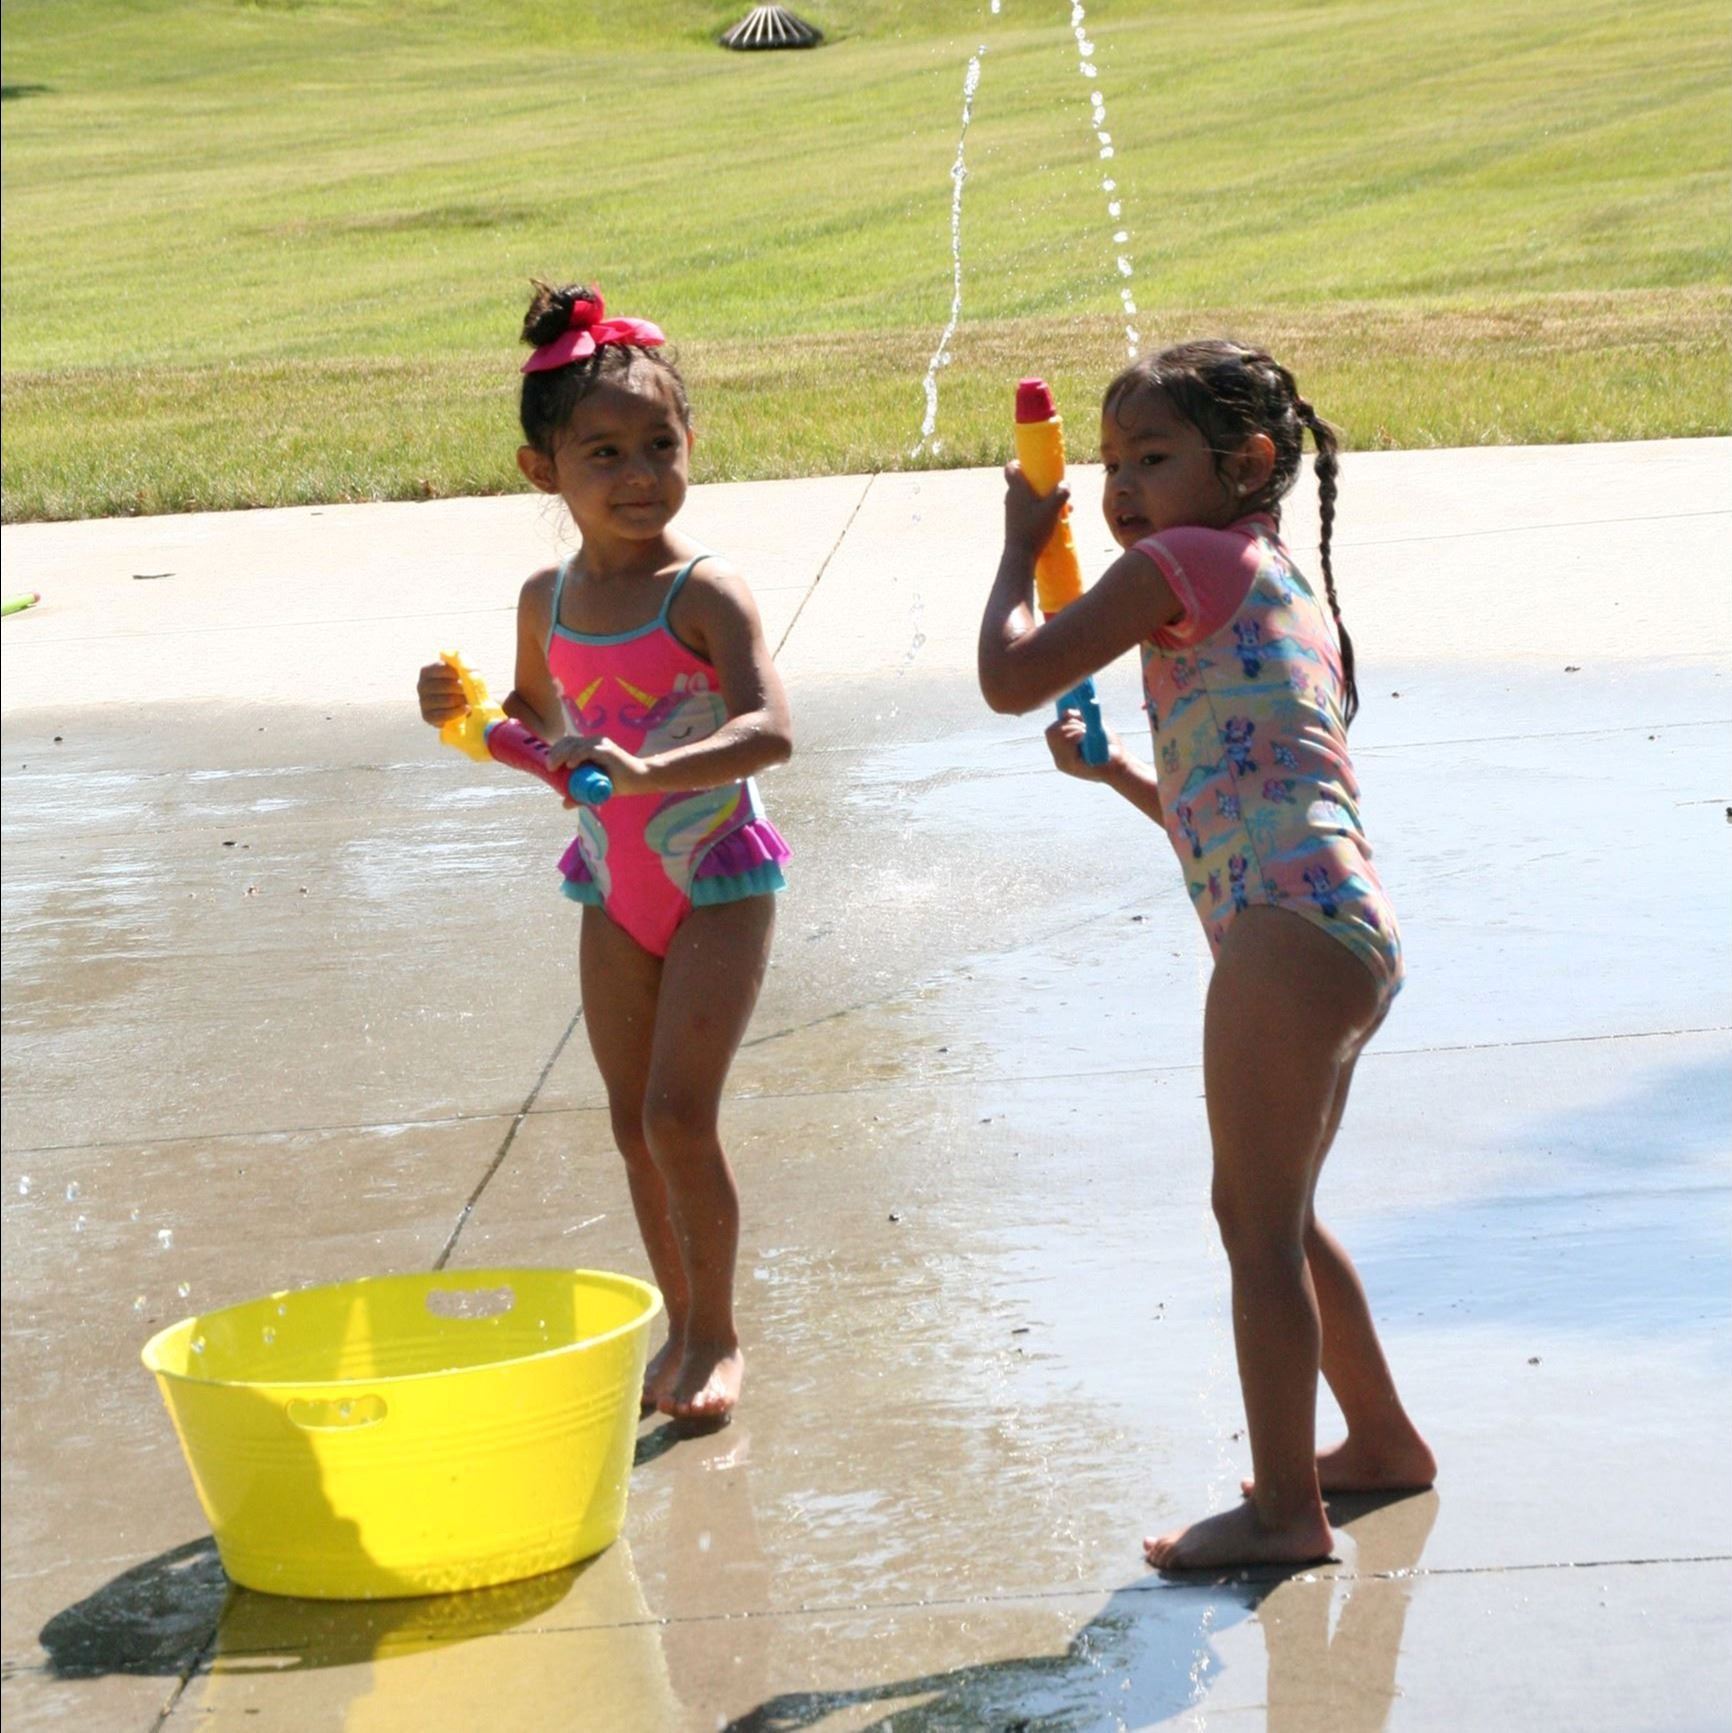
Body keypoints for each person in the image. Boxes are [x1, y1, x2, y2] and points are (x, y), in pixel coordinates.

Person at [978, 339, 1435, 1570]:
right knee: (1269, 1211)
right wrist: (1122, 771)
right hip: (1335, 922)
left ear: (1248, 461)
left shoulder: (1177, 561)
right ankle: (1380, 1439)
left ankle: (1287, 1510)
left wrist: (1022, 545)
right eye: (1110, 461)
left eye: (1151, 458)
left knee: (1255, 1231)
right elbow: (1239, 790)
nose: (1118, 487)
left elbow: (1009, 677)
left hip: (1285, 935)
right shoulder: (1270, 577)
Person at [418, 283, 793, 1429]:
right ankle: (680, 1325)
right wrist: (458, 711)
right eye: (604, 452)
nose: (638, 473)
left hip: (715, 871)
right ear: (545, 472)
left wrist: (640, 771)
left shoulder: (705, 590)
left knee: (683, 1116)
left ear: (691, 447)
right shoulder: (551, 596)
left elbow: (769, 729)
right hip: (609, 886)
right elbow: (538, 727)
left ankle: (718, 1333)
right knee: (633, 1124)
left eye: (659, 444)